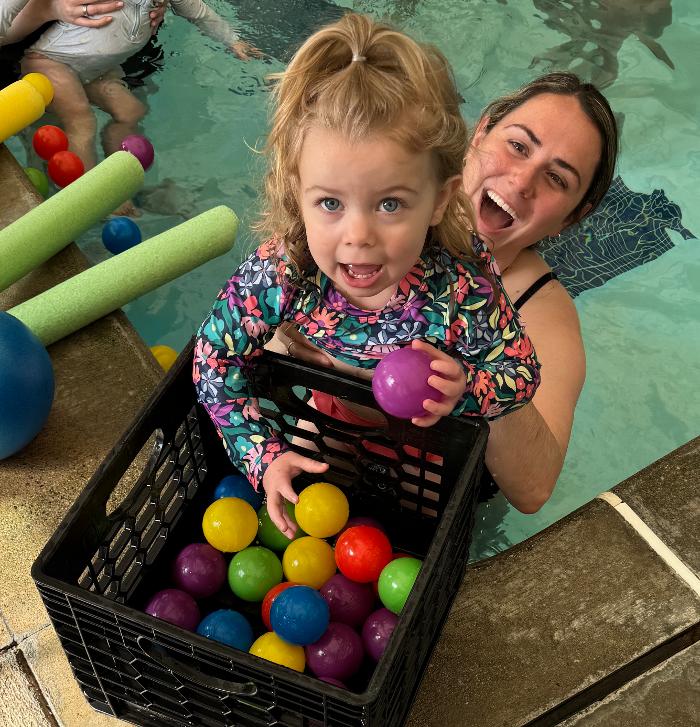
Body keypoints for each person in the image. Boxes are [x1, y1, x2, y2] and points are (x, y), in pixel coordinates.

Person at [193, 13, 541, 535]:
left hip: (426, 437)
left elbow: (520, 373)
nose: (358, 235)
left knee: (416, 534)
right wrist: (264, 456)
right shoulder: (284, 272)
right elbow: (213, 357)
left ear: (439, 200)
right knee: (311, 519)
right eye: (330, 202)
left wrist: (465, 387)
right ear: (296, 193)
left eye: (390, 204)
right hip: (334, 417)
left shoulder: (461, 285)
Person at [279, 71, 619, 515]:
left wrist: (476, 374)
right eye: (518, 146)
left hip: (438, 496)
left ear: (571, 217)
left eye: (556, 178)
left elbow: (533, 488)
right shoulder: (366, 229)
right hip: (328, 451)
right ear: (480, 133)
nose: (522, 181)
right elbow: (257, 350)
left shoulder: (541, 310)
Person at [14, 0, 259, 213]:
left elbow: (197, 11)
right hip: (49, 62)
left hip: (95, 70)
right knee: (82, 121)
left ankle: (117, 184)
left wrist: (232, 40)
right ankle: (92, 201)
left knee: (131, 111)